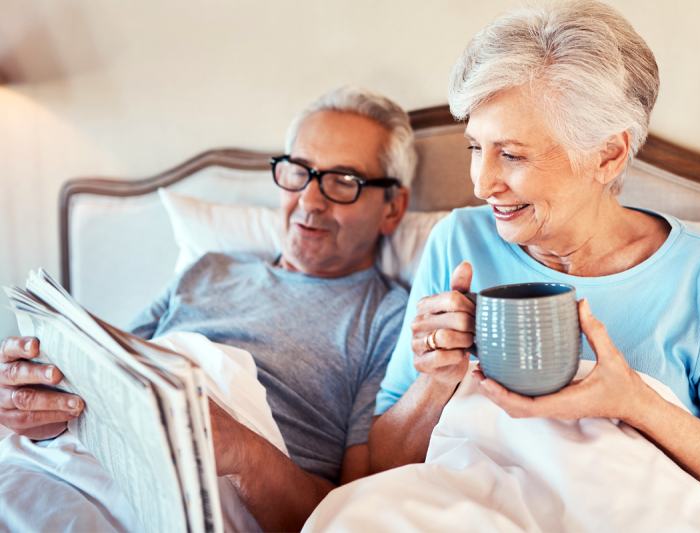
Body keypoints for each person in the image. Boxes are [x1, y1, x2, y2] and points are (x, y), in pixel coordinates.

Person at [368, 2, 700, 532]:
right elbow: (377, 471)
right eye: (476, 147)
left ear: (607, 156)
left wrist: (639, 405)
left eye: (514, 155)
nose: (482, 183)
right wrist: (437, 383)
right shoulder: (457, 241)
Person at [0, 85, 415, 533]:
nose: (310, 201)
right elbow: (108, 374)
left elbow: (355, 510)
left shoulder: (390, 317)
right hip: (92, 460)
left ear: (393, 208)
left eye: (343, 181)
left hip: (216, 489)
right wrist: (43, 411)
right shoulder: (209, 268)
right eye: (299, 171)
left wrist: (241, 451)